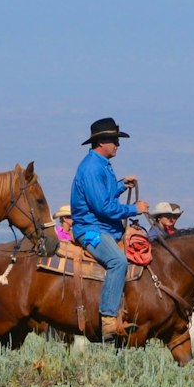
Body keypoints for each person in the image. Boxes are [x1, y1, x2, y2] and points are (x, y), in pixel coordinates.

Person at [70, 117, 149, 340]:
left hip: (104, 227)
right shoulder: (92, 168)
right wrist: (134, 209)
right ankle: (107, 321)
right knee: (118, 261)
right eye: (114, 140)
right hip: (91, 230)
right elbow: (103, 207)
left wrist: (122, 185)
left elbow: (104, 196)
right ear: (102, 142)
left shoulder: (101, 164)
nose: (117, 145)